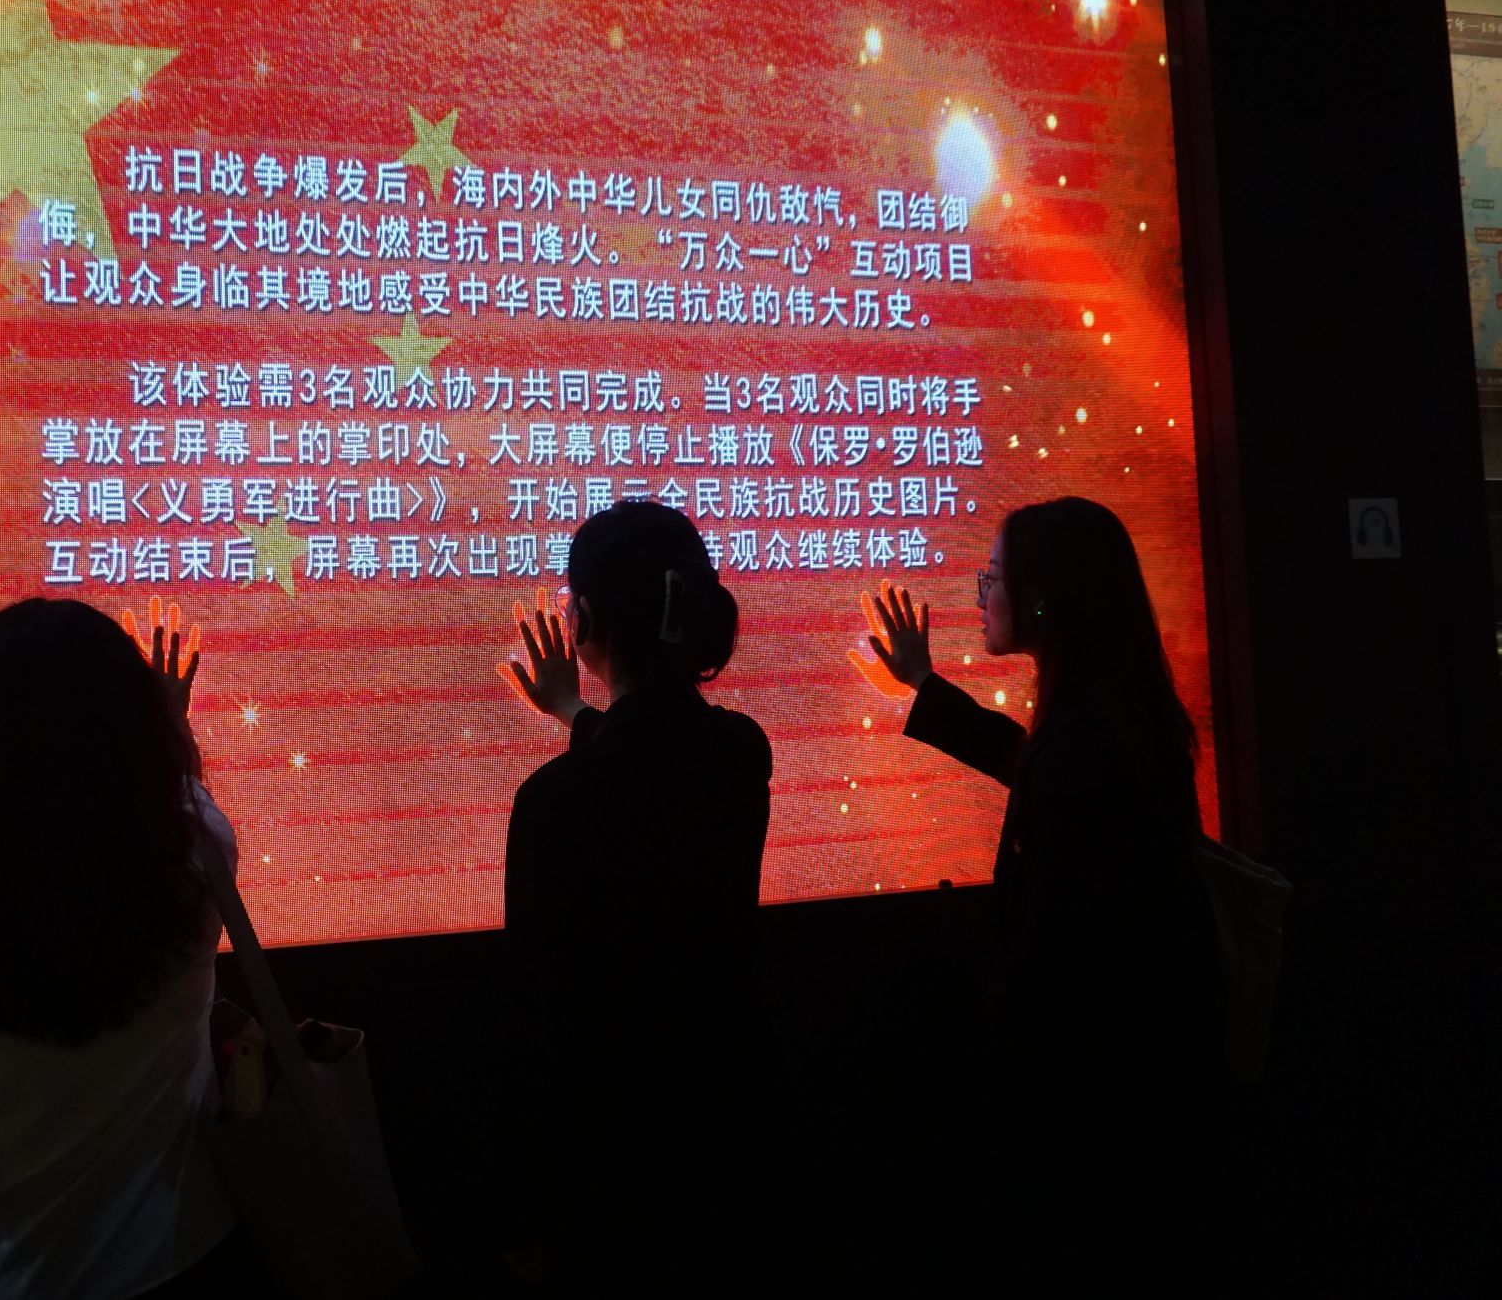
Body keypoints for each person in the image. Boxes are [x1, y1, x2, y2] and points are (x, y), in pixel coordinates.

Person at [0, 597, 259, 1299]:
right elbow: (181, 797)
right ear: (138, 730)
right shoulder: (196, 858)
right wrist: (170, 722)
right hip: (185, 1251)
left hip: (7, 1278)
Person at [862, 498, 1225, 1237]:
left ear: (1041, 597)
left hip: (1089, 1106)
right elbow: (1029, 761)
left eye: (993, 575)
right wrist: (925, 685)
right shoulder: (1110, 719)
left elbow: (1057, 966)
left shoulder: (1084, 749)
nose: (980, 594)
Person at [496, 501, 772, 1287]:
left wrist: (526, 1210)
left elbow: (537, 1019)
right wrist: (574, 709)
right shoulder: (740, 752)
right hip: (723, 1127)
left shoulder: (553, 801)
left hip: (605, 1158)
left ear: (584, 622)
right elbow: (656, 752)